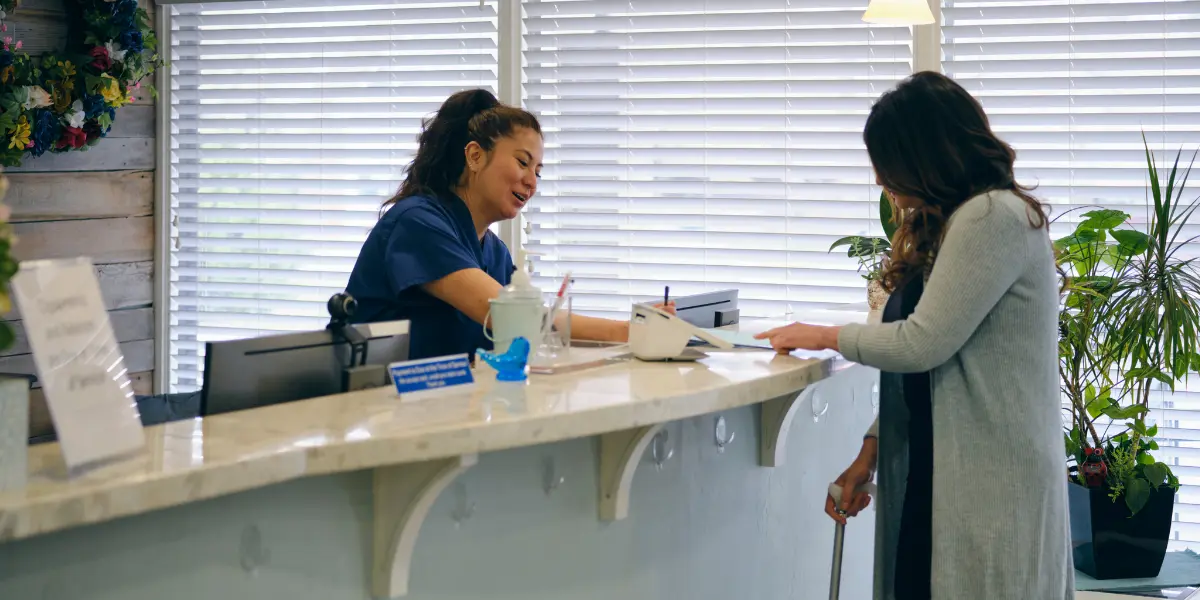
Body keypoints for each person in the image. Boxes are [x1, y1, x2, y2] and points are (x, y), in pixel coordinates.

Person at [756, 72, 1072, 599]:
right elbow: (940, 362)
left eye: (887, 164)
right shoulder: (960, 221)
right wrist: (872, 448)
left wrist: (825, 335)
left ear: (924, 156)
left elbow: (922, 343)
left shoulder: (992, 216)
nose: (882, 180)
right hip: (945, 468)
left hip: (991, 478)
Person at [345, 89, 671, 360]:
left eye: (538, 172)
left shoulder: (494, 253)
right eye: (522, 162)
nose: (532, 182)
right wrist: (627, 330)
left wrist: (637, 332)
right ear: (474, 156)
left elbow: (536, 336)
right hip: (377, 411)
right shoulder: (416, 224)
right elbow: (513, 319)